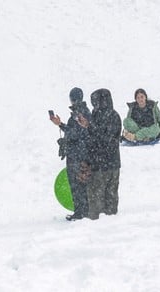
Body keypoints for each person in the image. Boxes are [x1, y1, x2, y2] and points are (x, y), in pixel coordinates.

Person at [76, 88, 121, 220]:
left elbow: (107, 140)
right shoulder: (96, 115)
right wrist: (86, 161)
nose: (94, 105)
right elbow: (92, 140)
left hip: (106, 166)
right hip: (100, 165)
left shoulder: (112, 116)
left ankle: (108, 230)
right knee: (103, 202)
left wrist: (89, 127)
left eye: (95, 101)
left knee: (102, 205)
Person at [49, 87, 92, 221]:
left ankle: (81, 213)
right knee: (81, 184)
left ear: (72, 99)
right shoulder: (83, 112)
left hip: (78, 155)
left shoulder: (79, 113)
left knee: (77, 184)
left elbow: (76, 133)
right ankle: (84, 211)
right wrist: (60, 125)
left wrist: (61, 125)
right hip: (81, 153)